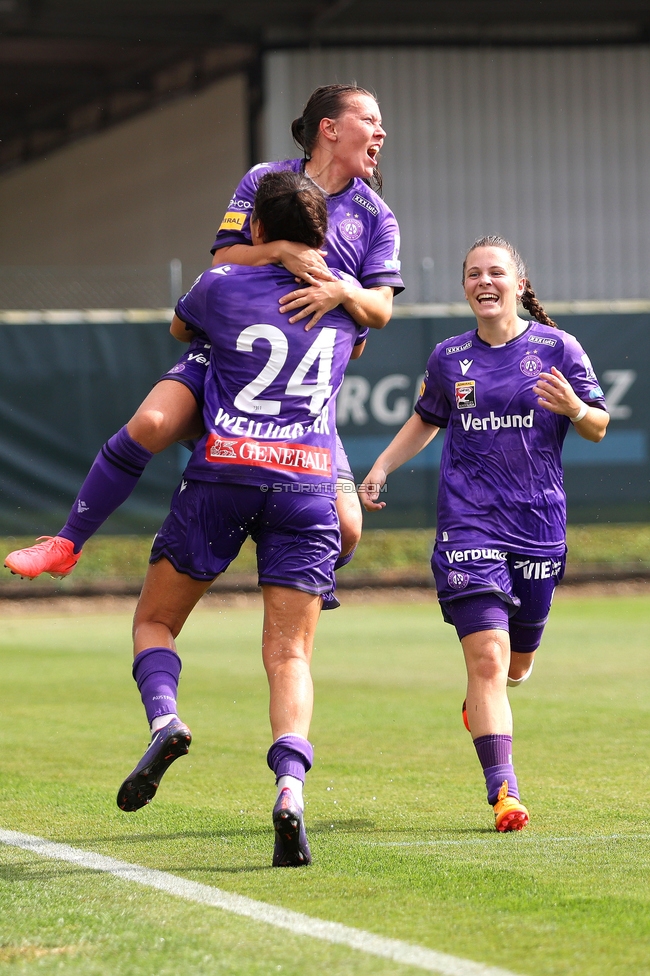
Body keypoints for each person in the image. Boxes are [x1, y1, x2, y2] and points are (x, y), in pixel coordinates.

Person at [5, 84, 403, 582]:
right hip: (224, 353)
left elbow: (380, 310)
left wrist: (342, 291)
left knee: (347, 529)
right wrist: (278, 251)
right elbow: (223, 260)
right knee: (150, 423)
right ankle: (67, 542)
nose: (381, 132)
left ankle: (281, 555)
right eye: (369, 120)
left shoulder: (377, 217)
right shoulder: (266, 179)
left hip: (298, 390)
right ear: (329, 128)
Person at [115, 170, 367, 867]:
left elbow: (180, 327)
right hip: (308, 483)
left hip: (226, 472)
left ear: (255, 228)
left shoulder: (219, 288)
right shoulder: (347, 310)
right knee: (290, 656)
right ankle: (290, 789)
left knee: (154, 622)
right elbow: (368, 323)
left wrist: (255, 259)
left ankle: (166, 719)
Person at [360, 236, 609, 832]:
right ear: (465, 286)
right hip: (469, 523)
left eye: (495, 272)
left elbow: (598, 425)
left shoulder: (559, 348)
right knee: (488, 656)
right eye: (473, 273)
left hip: (539, 527)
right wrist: (381, 467)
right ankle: (505, 792)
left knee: (516, 665)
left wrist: (576, 408)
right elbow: (427, 419)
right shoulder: (449, 358)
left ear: (519, 284)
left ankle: (484, 706)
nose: (483, 282)